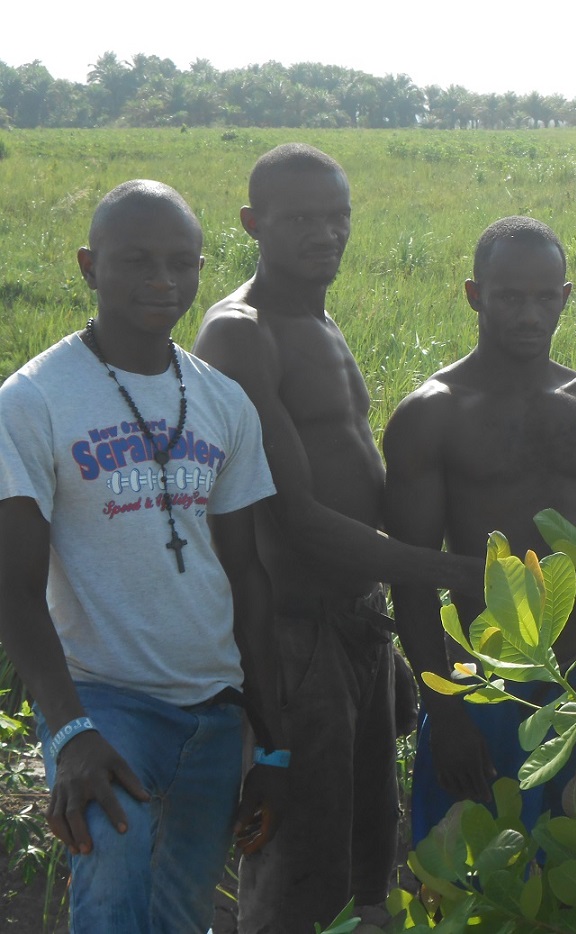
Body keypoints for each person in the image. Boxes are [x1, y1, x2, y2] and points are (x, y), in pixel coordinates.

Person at [193, 144, 479, 932]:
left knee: (364, 859)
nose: (326, 234)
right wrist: (452, 568)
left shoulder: (316, 315)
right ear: (253, 224)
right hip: (296, 639)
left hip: (356, 625)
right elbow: (294, 516)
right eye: (300, 219)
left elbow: (359, 480)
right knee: (297, 868)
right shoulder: (241, 334)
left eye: (337, 216)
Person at [0, 180, 282, 932]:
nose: (163, 280)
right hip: (107, 704)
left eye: (181, 262)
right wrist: (69, 732)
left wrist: (273, 746)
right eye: (136, 261)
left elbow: (246, 577)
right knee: (115, 899)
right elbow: (14, 588)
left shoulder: (222, 401)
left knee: (180, 916)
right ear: (90, 267)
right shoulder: (33, 400)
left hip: (214, 711)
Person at [383, 216, 576, 843]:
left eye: (546, 297)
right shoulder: (432, 415)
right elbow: (410, 579)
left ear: (567, 297)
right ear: (474, 294)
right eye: (509, 296)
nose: (529, 314)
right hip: (483, 683)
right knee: (477, 884)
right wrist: (446, 709)